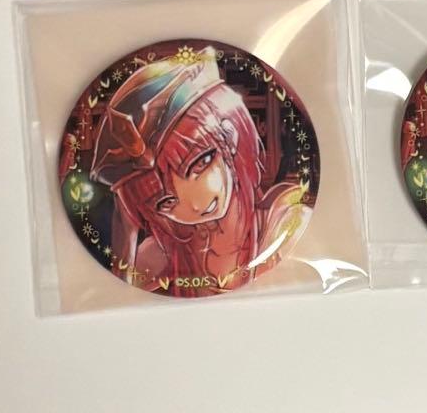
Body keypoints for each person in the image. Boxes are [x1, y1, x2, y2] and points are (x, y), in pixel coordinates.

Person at [88, 47, 311, 296]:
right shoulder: (168, 252)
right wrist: (126, 227)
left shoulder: (286, 227)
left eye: (200, 163)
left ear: (230, 135)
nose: (195, 204)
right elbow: (119, 297)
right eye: (165, 201)